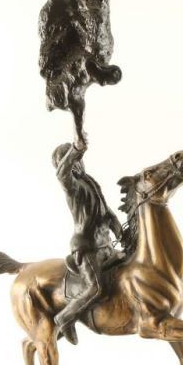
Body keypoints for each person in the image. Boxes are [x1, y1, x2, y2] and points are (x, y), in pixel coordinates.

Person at [52, 141, 123, 344]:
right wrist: (75, 149)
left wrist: (117, 227)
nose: (79, 163)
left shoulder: (89, 181)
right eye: (74, 160)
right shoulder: (72, 186)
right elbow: (62, 173)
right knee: (96, 288)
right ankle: (65, 317)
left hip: (105, 246)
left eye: (79, 159)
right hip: (87, 247)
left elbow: (104, 209)